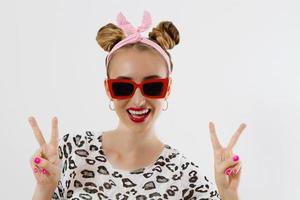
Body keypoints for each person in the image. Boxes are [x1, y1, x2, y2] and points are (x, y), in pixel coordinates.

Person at [28, 11, 246, 200]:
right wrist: (44, 189)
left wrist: (229, 195)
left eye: (153, 86)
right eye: (123, 87)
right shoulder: (71, 152)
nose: (139, 100)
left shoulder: (185, 175)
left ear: (167, 89)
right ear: (108, 89)